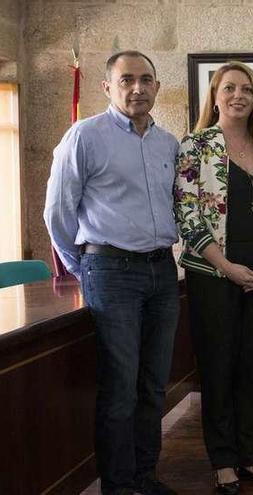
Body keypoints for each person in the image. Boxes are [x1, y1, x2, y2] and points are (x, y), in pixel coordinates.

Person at [44, 50, 179, 495]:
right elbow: (57, 213)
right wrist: (85, 266)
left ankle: (146, 476)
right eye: (127, 81)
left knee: (153, 386)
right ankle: (119, 487)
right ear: (108, 87)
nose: (137, 88)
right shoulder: (84, 137)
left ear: (157, 86)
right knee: (120, 391)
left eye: (145, 80)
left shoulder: (168, 143)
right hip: (111, 271)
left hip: (162, 272)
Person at [175, 61, 253, 493]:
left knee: (252, 367)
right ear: (216, 94)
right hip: (214, 275)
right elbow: (187, 214)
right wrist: (227, 268)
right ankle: (223, 460)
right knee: (218, 367)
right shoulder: (196, 146)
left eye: (246, 88)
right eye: (230, 88)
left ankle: (251, 456)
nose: (239, 95)